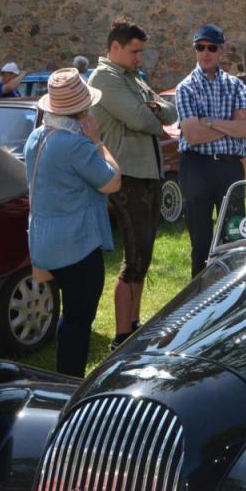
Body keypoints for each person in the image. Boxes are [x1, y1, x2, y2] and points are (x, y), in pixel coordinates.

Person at [24, 68, 121, 377]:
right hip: (76, 244)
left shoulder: (37, 136)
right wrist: (98, 142)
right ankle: (69, 384)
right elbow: (112, 181)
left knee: (70, 317)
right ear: (82, 110)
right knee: (78, 320)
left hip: (45, 240)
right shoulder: (74, 144)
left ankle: (64, 377)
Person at [89, 18, 177, 350]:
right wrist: (152, 114)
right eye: (134, 52)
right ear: (115, 47)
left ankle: (135, 324)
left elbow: (170, 112)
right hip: (128, 177)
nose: (140, 58)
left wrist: (152, 109)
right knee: (134, 257)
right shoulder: (104, 78)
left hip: (148, 174)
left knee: (144, 254)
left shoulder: (132, 78)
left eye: (141, 52)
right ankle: (122, 336)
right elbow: (142, 119)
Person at [175, 23, 246, 276]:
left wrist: (208, 121)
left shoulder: (236, 85)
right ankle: (200, 290)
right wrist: (230, 123)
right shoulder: (186, 87)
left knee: (234, 236)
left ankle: (233, 287)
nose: (205, 53)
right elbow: (192, 135)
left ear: (222, 50)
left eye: (211, 47)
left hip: (230, 166)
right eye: (200, 47)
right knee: (200, 240)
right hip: (196, 166)